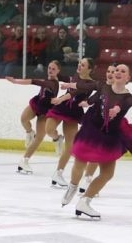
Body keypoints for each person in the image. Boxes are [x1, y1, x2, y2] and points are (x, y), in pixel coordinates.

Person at [60, 64, 132, 220]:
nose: (118, 73)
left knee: (107, 173)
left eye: (123, 71)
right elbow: (84, 85)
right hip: (92, 128)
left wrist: (116, 110)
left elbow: (120, 104)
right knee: (80, 161)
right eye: (117, 70)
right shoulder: (103, 86)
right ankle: (73, 186)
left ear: (128, 78)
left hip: (110, 135)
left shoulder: (129, 98)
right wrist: (69, 85)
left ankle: (85, 201)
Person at [45, 58, 96, 187]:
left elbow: (75, 92)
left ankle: (58, 173)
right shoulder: (75, 75)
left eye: (83, 65)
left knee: (70, 146)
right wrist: (55, 73)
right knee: (49, 130)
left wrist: (60, 98)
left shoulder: (90, 83)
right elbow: (66, 78)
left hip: (73, 112)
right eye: (79, 63)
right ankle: (57, 139)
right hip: (62, 108)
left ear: (89, 69)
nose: (79, 66)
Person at [7, 61, 63, 174]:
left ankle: (25, 160)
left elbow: (32, 81)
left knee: (40, 137)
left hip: (45, 111)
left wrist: (16, 81)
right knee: (23, 119)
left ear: (58, 71)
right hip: (37, 103)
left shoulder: (52, 83)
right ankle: (29, 132)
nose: (50, 70)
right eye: (49, 68)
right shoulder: (48, 80)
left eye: (53, 69)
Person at [77, 63, 117, 194]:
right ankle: (87, 178)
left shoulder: (118, 91)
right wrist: (87, 102)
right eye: (108, 71)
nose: (110, 74)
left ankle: (88, 179)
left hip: (106, 122)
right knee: (90, 149)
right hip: (93, 119)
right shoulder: (102, 85)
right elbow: (94, 97)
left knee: (97, 151)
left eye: (113, 71)